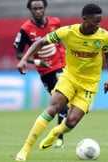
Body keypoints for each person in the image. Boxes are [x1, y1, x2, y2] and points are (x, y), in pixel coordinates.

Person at [15, 3, 108, 161]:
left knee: (71, 122)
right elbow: (40, 42)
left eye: (100, 22)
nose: (98, 25)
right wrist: (25, 59)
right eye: (95, 22)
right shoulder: (68, 32)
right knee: (53, 107)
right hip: (69, 78)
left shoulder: (104, 36)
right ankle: (25, 149)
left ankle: (55, 132)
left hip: (89, 84)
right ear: (84, 19)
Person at [13, 0, 68, 148]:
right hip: (44, 71)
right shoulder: (25, 29)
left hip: (61, 65)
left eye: (40, 8)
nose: (38, 11)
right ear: (30, 10)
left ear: (45, 9)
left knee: (63, 100)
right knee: (58, 104)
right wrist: (38, 62)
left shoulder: (55, 22)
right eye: (34, 8)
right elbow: (19, 54)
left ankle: (59, 138)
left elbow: (62, 39)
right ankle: (58, 136)